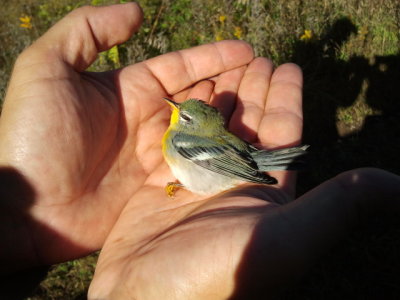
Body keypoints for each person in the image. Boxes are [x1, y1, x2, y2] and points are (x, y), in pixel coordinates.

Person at [0, 3, 398, 299]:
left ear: (189, 126)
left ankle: (290, 156)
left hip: (229, 169)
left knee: (260, 160)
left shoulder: (179, 141)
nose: (175, 111)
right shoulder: (187, 134)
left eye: (181, 115)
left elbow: (221, 163)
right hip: (236, 159)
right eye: (178, 110)